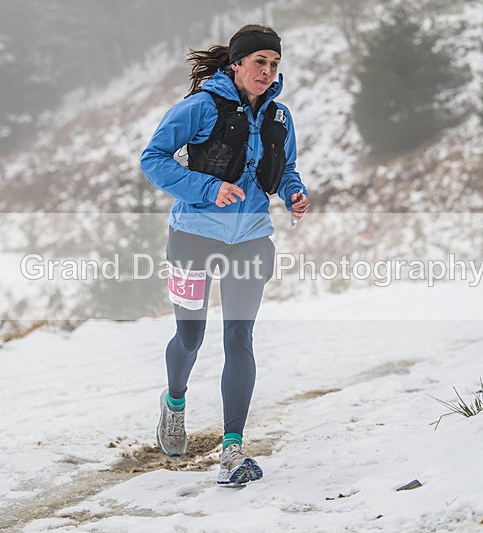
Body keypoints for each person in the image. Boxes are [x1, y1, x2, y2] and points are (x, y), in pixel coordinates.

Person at [140, 24, 309, 486]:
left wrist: (294, 193)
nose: (268, 71)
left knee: (239, 339)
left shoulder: (279, 116)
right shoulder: (199, 107)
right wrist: (207, 188)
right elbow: (153, 158)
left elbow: (286, 166)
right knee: (190, 337)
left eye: (274, 64)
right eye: (260, 62)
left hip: (251, 239)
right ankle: (174, 403)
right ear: (236, 64)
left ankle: (232, 450)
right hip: (193, 237)